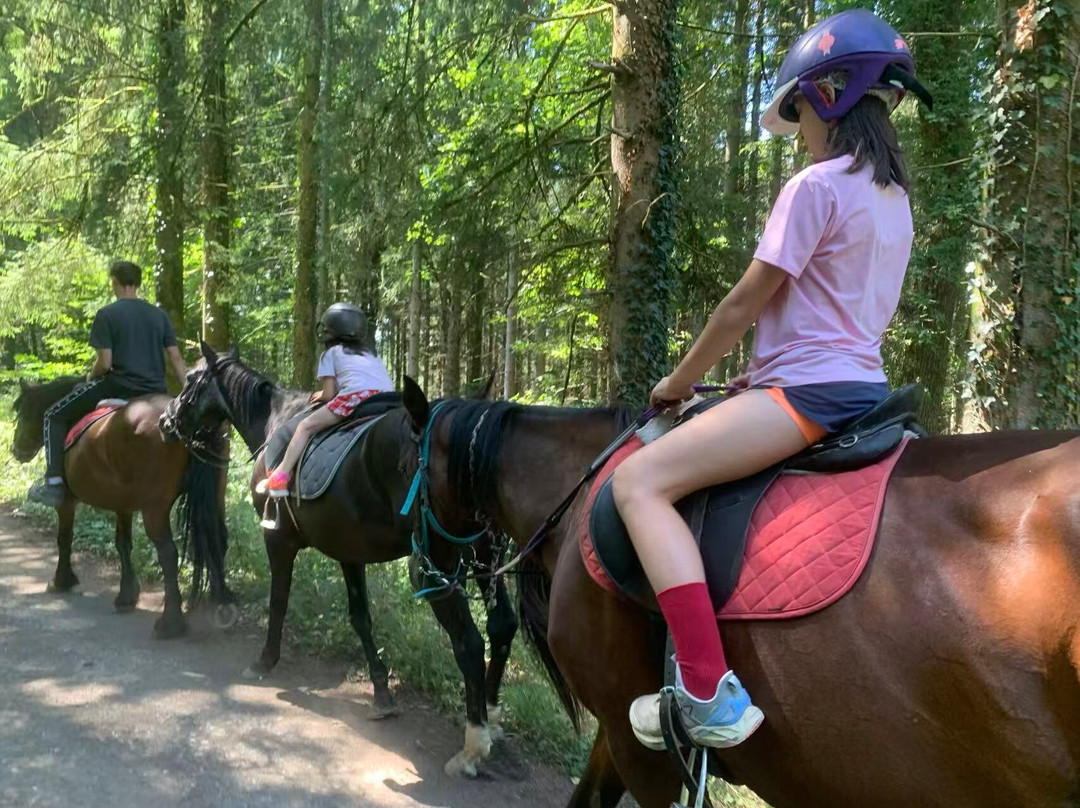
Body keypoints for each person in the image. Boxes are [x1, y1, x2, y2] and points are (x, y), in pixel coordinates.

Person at [617, 8, 932, 751]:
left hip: (805, 395)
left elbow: (742, 304)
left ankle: (704, 689)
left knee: (639, 484)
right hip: (864, 393)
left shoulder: (817, 187)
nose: (802, 135)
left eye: (799, 115)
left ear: (826, 98)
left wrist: (677, 381)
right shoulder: (897, 202)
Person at [27, 260, 187, 508]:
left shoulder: (107, 314)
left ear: (115, 282)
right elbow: (176, 358)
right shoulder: (159, 315)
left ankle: (54, 483)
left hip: (118, 386)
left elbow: (104, 362)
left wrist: (91, 378)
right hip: (155, 390)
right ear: (137, 283)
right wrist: (186, 390)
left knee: (53, 415)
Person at [265, 302, 393, 497]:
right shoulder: (372, 354)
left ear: (331, 329)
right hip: (386, 400)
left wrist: (320, 395)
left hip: (355, 399)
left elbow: (329, 394)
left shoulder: (330, 354)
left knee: (305, 427)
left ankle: (281, 476)